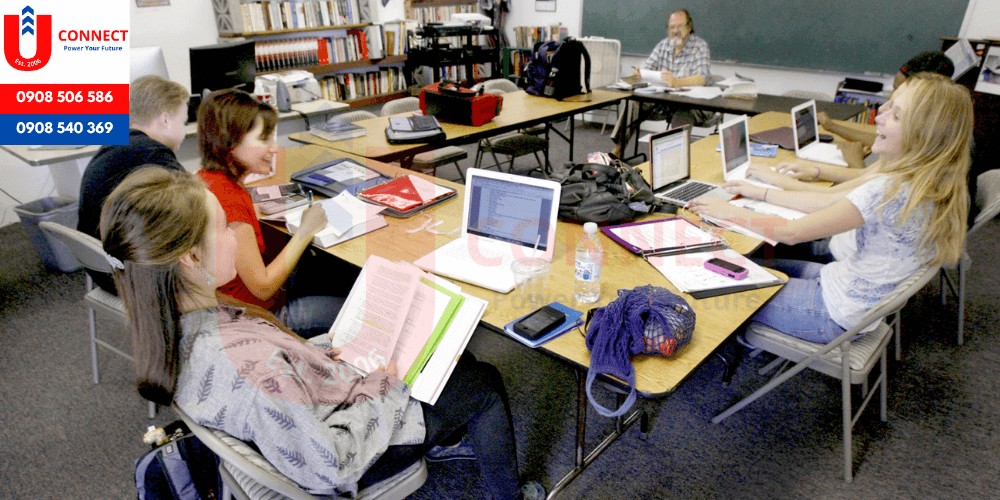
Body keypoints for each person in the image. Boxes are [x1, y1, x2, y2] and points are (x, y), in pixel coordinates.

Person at [100, 167, 545, 500]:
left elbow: (278, 376)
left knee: (448, 363)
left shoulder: (169, 323)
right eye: (223, 229)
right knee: (482, 382)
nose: (238, 237)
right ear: (190, 260)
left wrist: (319, 353)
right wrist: (385, 389)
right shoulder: (248, 368)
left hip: (319, 403)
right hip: (350, 443)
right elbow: (334, 464)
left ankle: (446, 429)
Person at [688, 73, 971, 343]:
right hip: (848, 293)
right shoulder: (930, 179)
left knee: (710, 283)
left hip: (831, 313)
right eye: (888, 105)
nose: (880, 116)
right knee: (746, 263)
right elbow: (829, 201)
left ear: (923, 136)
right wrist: (763, 191)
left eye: (895, 114)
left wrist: (727, 211)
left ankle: (738, 339)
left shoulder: (889, 190)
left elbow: (790, 232)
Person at [195, 89, 344, 338]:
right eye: (264, 139)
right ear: (230, 144)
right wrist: (305, 230)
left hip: (243, 302)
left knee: (333, 269)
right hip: (261, 317)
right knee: (359, 313)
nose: (275, 148)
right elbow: (263, 288)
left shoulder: (209, 179)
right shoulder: (229, 203)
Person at [77, 74, 189, 293]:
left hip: (100, 266)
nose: (184, 130)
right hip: (131, 276)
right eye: (183, 121)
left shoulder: (117, 145)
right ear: (165, 119)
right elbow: (196, 203)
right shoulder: (151, 152)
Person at [783, 51, 956, 181]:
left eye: (898, 91)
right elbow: (878, 146)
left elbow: (874, 191)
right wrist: (832, 127)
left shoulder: (936, 143)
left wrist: (856, 162)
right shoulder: (942, 123)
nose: (889, 98)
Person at [610, 8, 712, 158]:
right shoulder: (663, 45)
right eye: (672, 27)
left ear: (689, 27)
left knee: (681, 114)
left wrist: (676, 82)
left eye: (680, 26)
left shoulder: (700, 46)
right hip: (664, 103)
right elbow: (648, 69)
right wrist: (640, 74)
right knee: (634, 104)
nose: (675, 31)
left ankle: (676, 159)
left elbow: (702, 78)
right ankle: (618, 151)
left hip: (692, 105)